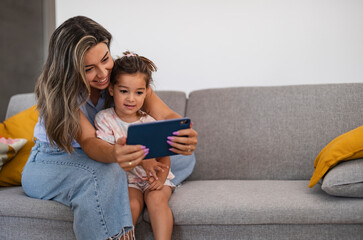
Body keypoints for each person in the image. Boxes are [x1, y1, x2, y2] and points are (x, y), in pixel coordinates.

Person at [21, 16, 197, 240]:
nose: (103, 73)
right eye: (89, 69)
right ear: (70, 70)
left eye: (105, 59)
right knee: (108, 171)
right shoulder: (64, 95)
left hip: (107, 151)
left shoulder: (121, 80)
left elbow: (167, 116)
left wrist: (182, 134)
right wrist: (119, 154)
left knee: (183, 158)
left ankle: (136, 184)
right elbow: (90, 142)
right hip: (55, 160)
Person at [95, 51, 175, 240]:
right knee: (131, 205)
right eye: (124, 91)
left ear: (146, 92)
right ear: (111, 89)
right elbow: (108, 156)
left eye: (138, 93)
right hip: (128, 179)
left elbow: (164, 156)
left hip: (153, 177)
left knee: (156, 199)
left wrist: (161, 177)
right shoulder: (105, 119)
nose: (131, 99)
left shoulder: (151, 121)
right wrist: (143, 161)